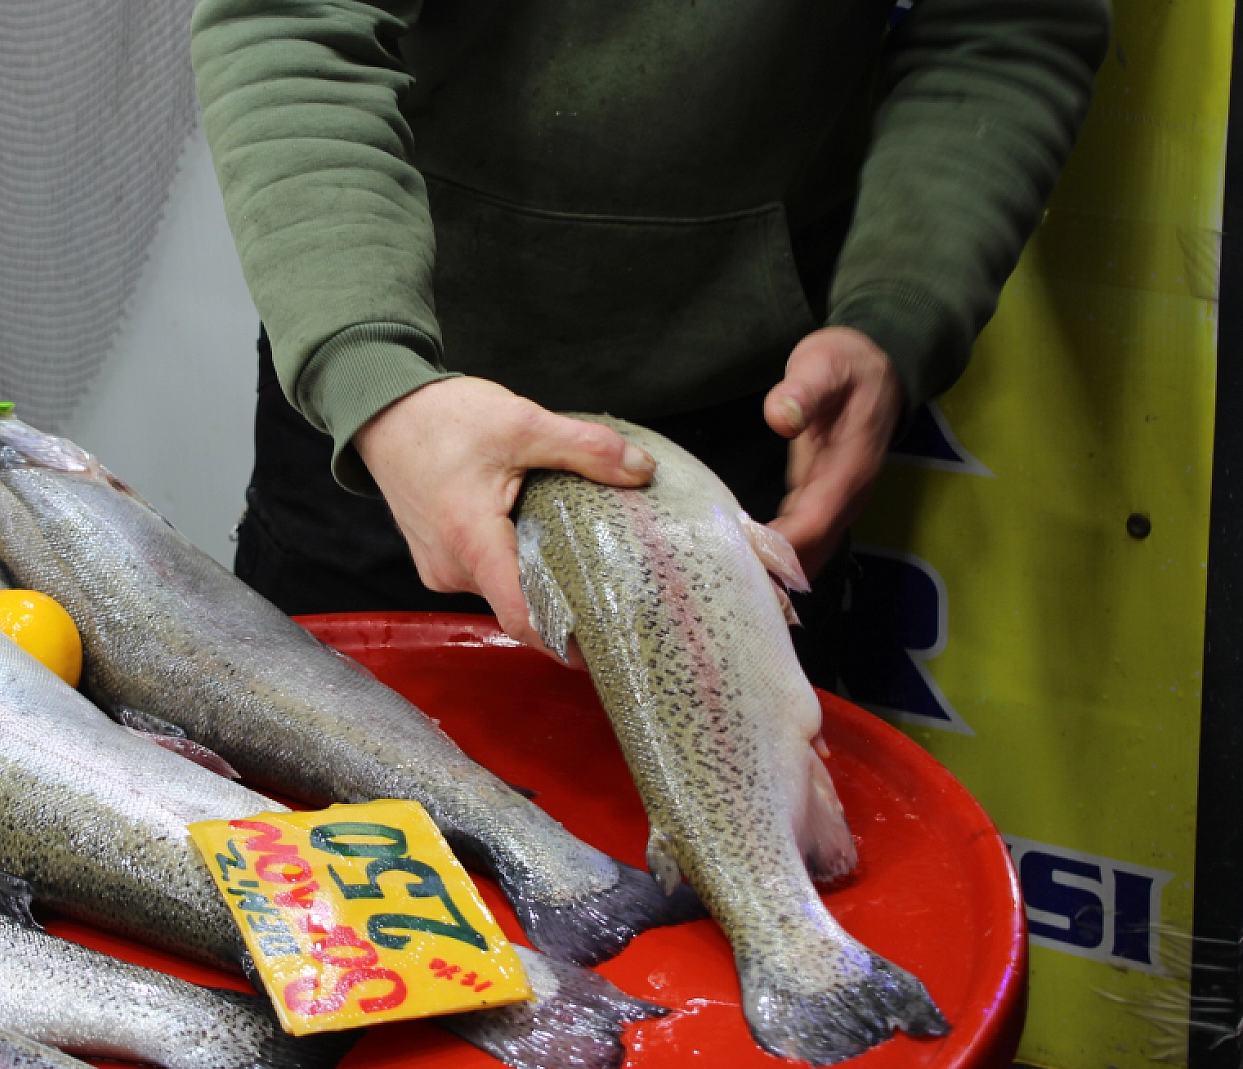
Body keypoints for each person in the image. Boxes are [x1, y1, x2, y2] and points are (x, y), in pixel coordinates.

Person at [191, 0, 1110, 685]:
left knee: (717, 858)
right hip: (401, 414)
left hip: (745, 426)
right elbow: (292, 23)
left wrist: (899, 314)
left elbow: (1009, 25)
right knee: (323, 871)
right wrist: (375, 377)